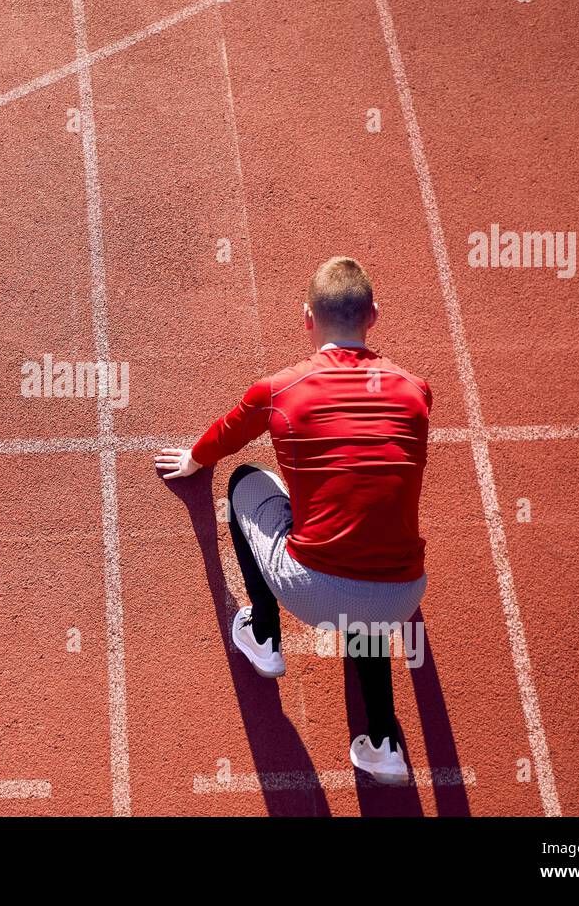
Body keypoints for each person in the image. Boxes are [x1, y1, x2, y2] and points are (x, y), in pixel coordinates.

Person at [155, 256, 431, 785]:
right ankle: (384, 744)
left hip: (312, 588)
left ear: (307, 319)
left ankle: (264, 637)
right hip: (403, 592)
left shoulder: (280, 390)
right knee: (366, 612)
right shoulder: (416, 391)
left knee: (243, 482)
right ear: (373, 315)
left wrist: (193, 460)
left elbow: (226, 436)